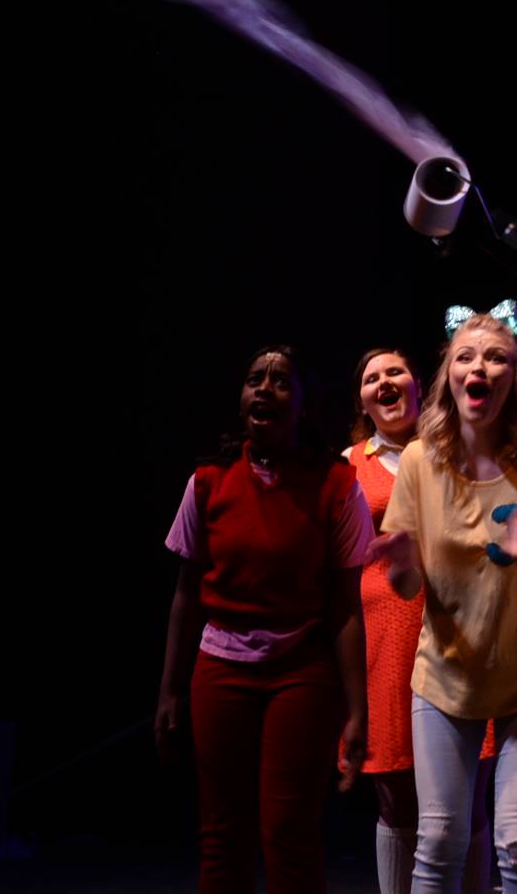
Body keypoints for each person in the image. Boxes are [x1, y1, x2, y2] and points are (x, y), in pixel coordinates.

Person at [370, 312, 517, 894]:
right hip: (446, 679)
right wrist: (402, 565)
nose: (480, 367)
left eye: (496, 358)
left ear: (514, 378)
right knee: (439, 841)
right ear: (448, 376)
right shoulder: (420, 461)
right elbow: (409, 587)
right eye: (466, 357)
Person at [156, 346, 372, 894]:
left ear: (303, 404)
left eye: (280, 381)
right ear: (241, 399)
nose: (265, 389)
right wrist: (170, 691)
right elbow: (185, 595)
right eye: (255, 379)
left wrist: (357, 710)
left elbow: (346, 606)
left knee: (288, 833)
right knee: (222, 833)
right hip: (220, 669)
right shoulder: (207, 481)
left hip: (300, 672)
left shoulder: (337, 485)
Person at [343, 347, 494, 894]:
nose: (384, 382)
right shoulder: (348, 464)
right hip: (383, 638)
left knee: (467, 793)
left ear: (417, 384)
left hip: (454, 630)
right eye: (372, 378)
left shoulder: (454, 450)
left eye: (395, 371)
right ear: (362, 400)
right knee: (396, 791)